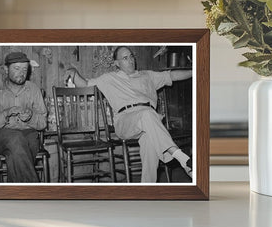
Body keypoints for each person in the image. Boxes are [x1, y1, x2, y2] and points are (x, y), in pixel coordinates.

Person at [65, 46, 192, 183]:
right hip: (125, 121)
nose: (131, 60)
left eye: (131, 56)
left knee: (149, 140)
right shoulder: (109, 79)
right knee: (148, 114)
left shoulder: (147, 75)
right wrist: (73, 72)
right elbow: (84, 84)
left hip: (149, 122)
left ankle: (147, 189)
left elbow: (171, 75)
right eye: (125, 58)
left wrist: (194, 71)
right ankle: (183, 159)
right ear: (116, 63)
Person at [0, 51, 47, 183]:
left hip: (29, 134)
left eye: (24, 69)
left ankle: (15, 193)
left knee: (15, 153)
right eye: (17, 68)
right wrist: (6, 113)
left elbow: (43, 123)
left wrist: (30, 117)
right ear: (6, 69)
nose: (21, 73)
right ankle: (34, 190)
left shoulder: (34, 89)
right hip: (2, 134)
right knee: (16, 138)